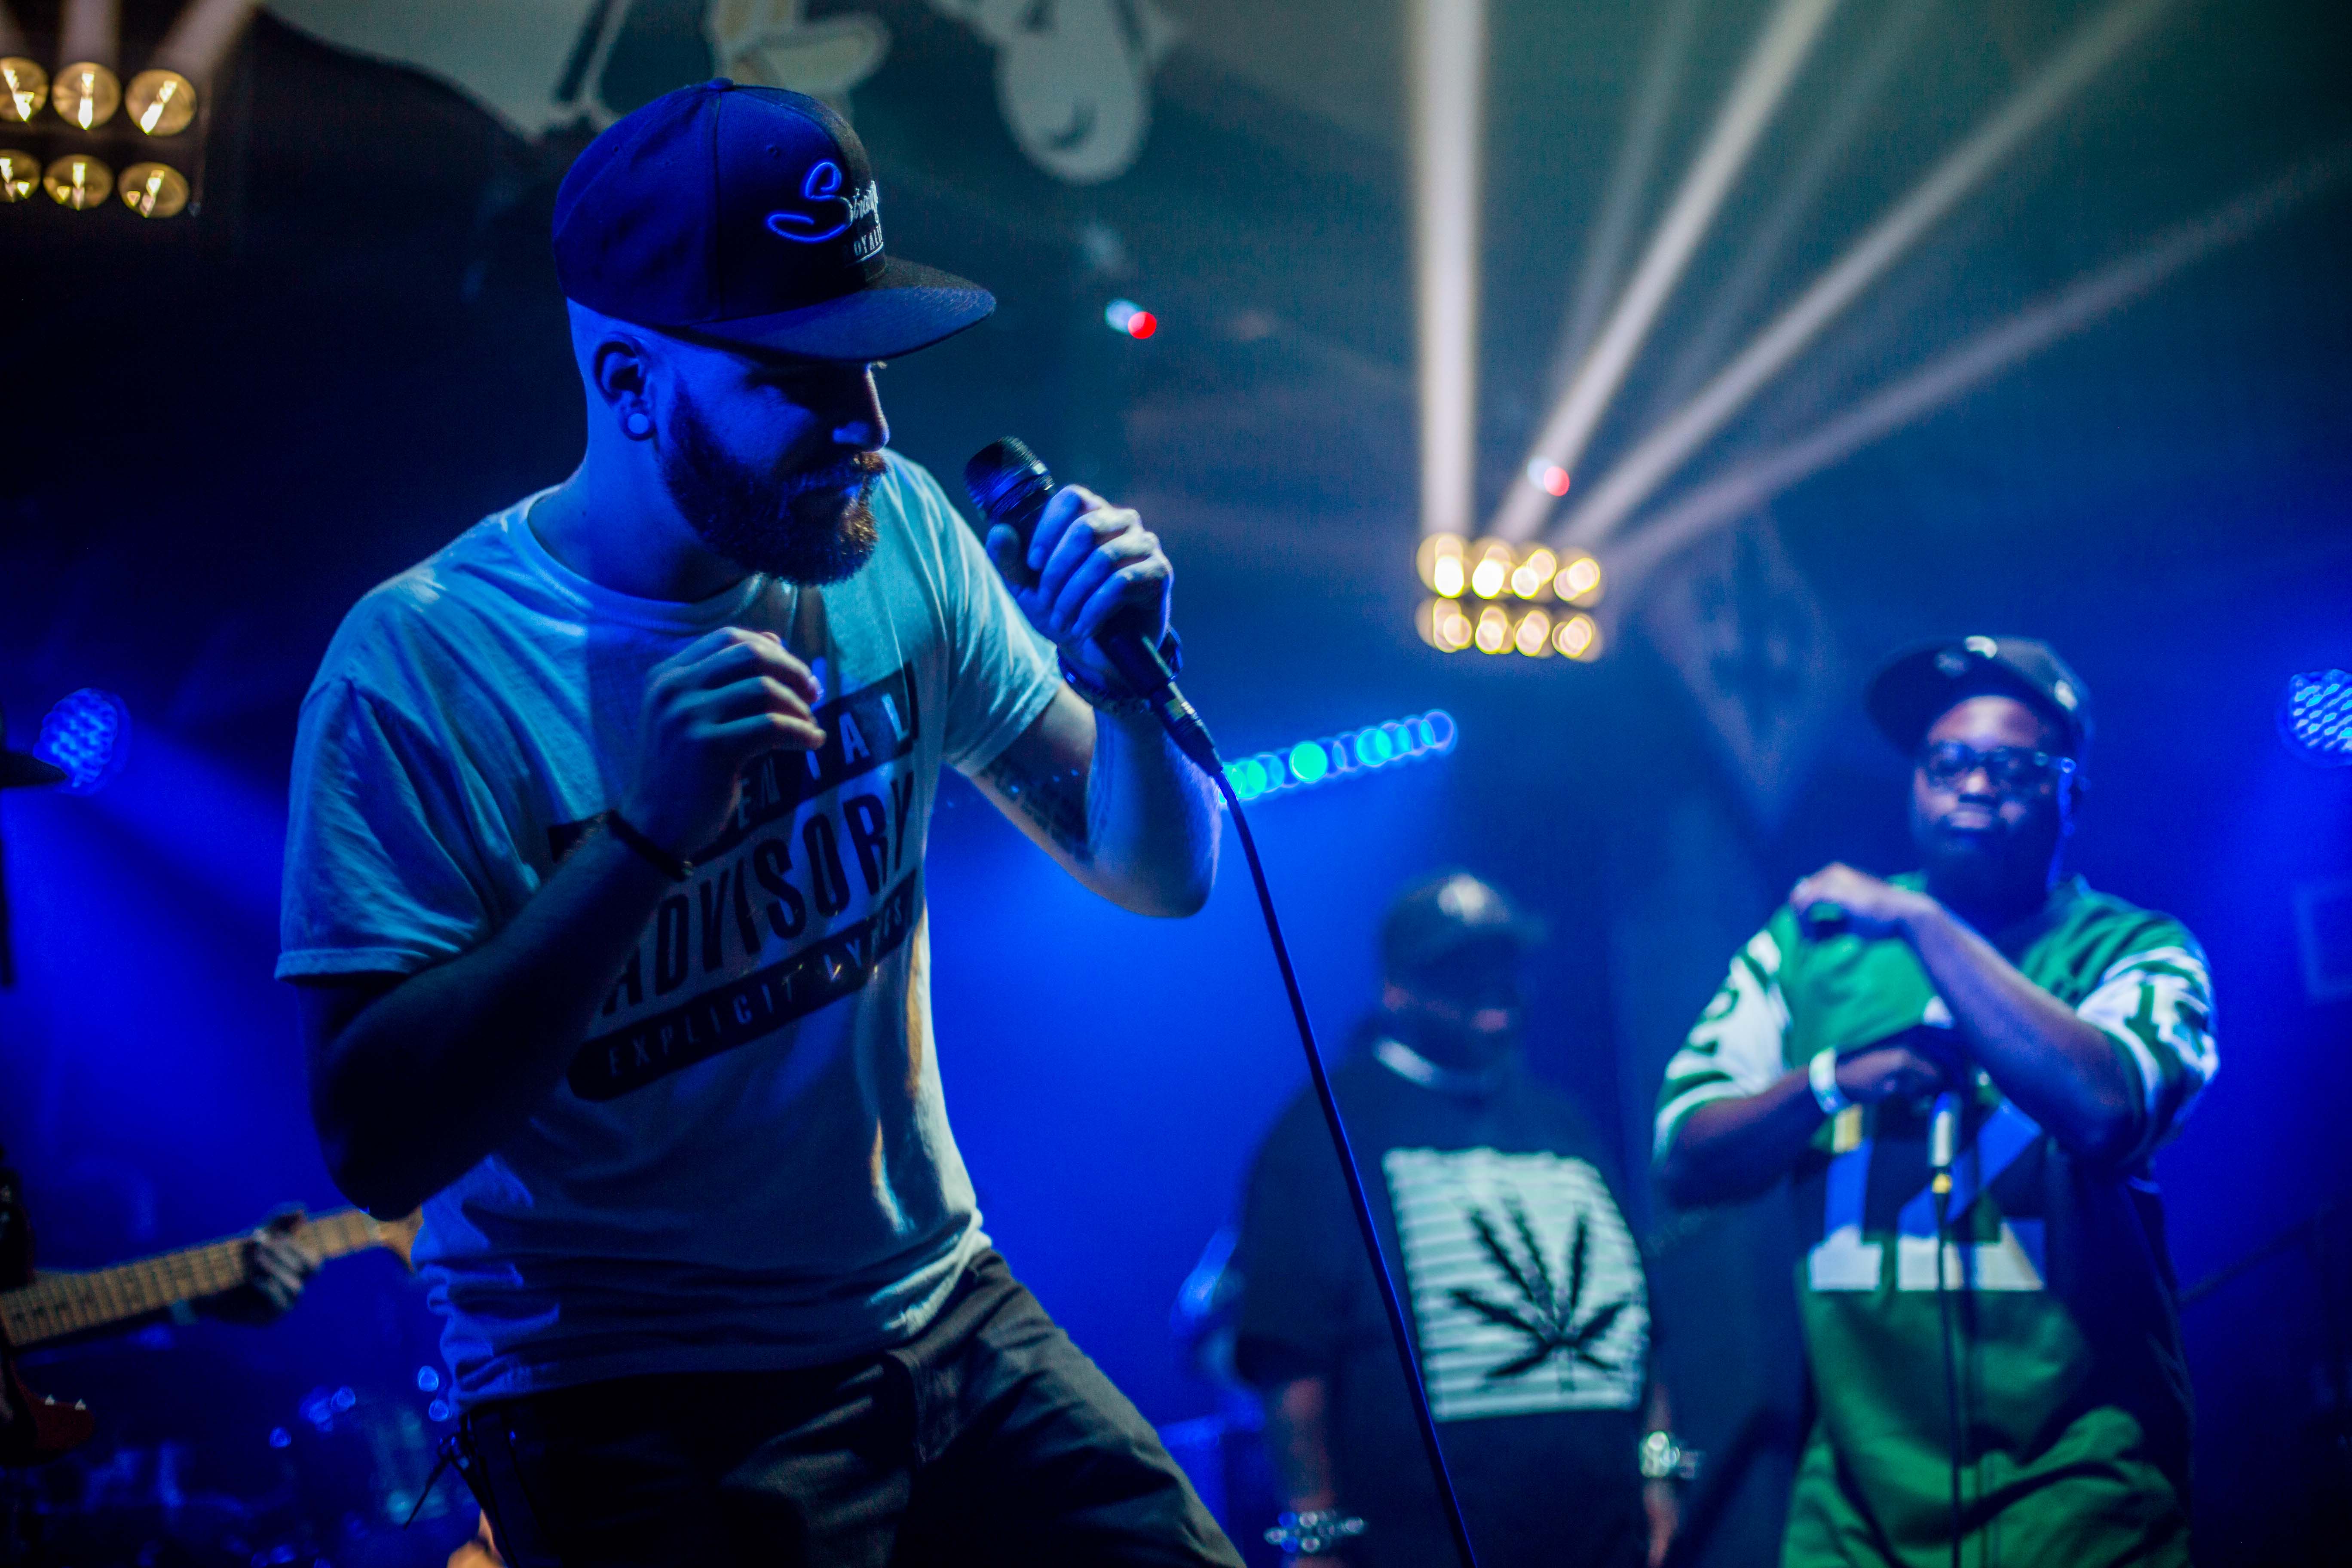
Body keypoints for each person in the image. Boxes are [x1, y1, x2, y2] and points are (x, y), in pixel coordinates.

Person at [277, 82, 1237, 1568]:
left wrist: (1126, 693)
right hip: (624, 1385)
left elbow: (1158, 872)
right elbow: (375, 1143)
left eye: (873, 362)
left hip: (941, 1307)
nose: (869, 427)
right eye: (802, 376)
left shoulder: (900, 537)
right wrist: (641, 842)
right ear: (630, 379)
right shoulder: (424, 664)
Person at [1653, 637, 2217, 1568]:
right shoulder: (1812, 948)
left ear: (2072, 795)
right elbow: (1684, 1156)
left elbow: (2108, 1110)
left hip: (2079, 1513)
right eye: (1946, 763)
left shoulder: (2134, 951)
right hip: (1853, 1523)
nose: (1974, 787)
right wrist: (1830, 1081)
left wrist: (1923, 923)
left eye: (2013, 768)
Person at [1228, 871, 1682, 1568]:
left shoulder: (1563, 1122)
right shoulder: (1328, 1128)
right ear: (1396, 989)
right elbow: (1292, 1349)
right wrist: (1314, 1532)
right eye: (1460, 965)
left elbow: (1639, 1322)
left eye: (1505, 961)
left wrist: (1657, 1470)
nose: (1491, 982)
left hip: (1606, 1542)